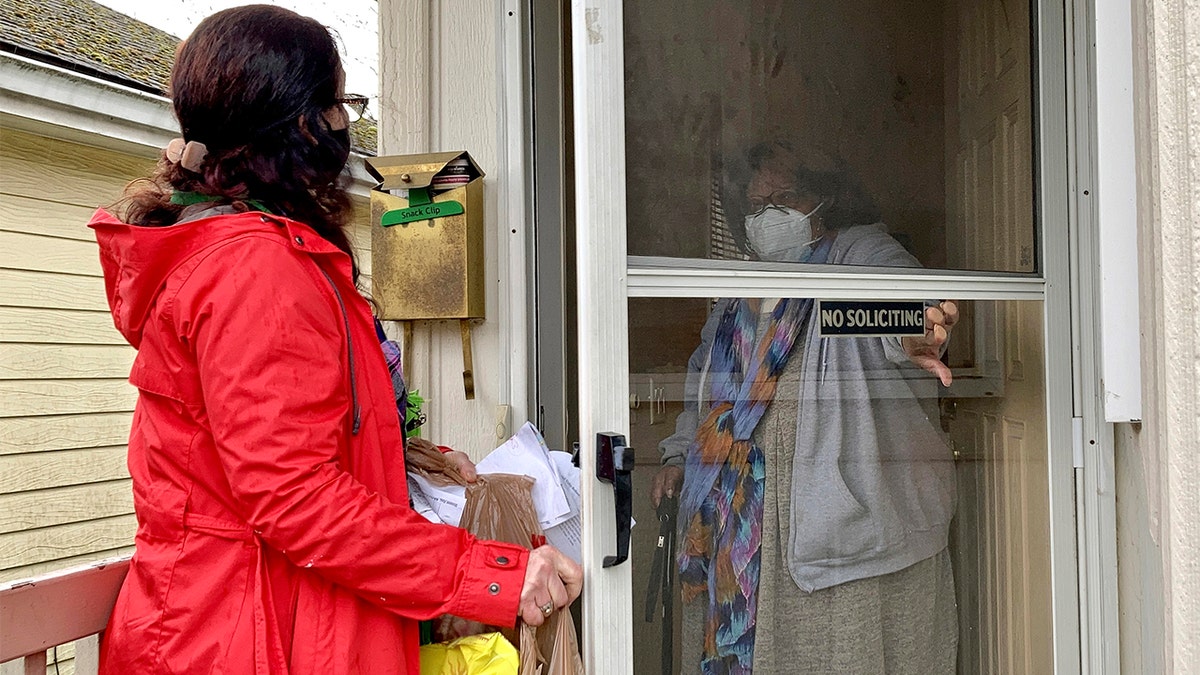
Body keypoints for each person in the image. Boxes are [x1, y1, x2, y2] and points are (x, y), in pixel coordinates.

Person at [89, 6, 580, 673]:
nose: (346, 125)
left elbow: (270, 437)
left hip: (240, 618)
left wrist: (402, 452)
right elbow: (290, 491)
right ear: (301, 125)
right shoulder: (254, 268)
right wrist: (490, 574)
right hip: (247, 634)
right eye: (339, 105)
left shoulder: (247, 252)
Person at [651, 141, 959, 674]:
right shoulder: (736, 293)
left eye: (786, 197)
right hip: (733, 522)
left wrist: (912, 328)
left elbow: (891, 298)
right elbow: (705, 381)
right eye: (756, 204)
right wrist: (679, 455)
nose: (769, 214)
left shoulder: (856, 255)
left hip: (826, 526)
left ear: (825, 200)